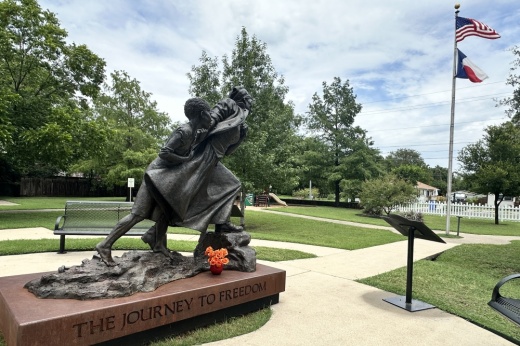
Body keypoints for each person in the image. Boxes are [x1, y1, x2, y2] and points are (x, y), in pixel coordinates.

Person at [96, 87, 252, 266]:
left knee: (166, 211)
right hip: (156, 176)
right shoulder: (184, 131)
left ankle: (157, 243)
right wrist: (185, 159)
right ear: (202, 114)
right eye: (207, 114)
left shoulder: (194, 132)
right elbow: (165, 153)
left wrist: (238, 137)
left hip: (169, 174)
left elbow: (215, 142)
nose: (210, 117)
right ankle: (105, 245)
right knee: (137, 214)